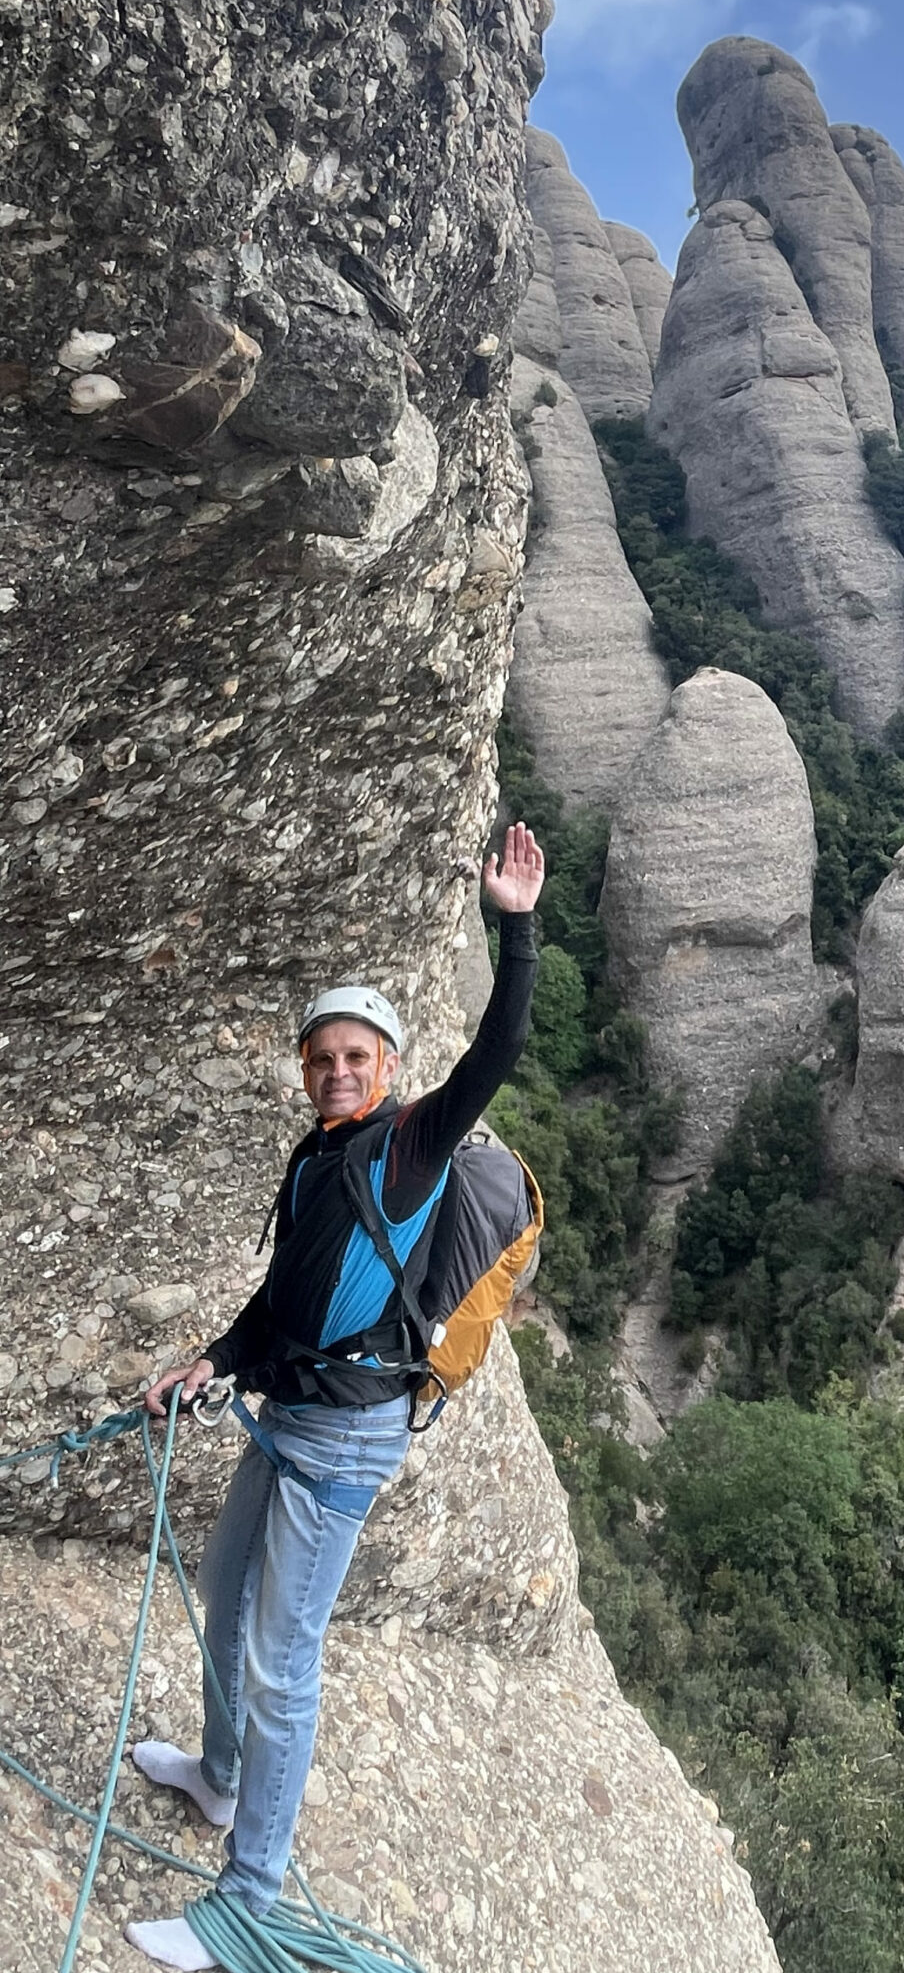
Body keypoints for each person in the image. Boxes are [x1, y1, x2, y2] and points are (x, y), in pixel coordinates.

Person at [123, 823, 544, 1972]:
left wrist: (515, 930)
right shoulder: (316, 1158)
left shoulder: (411, 1146)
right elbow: (282, 1303)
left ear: (389, 1068)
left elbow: (496, 1054)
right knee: (223, 1589)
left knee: (281, 1659)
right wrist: (212, 1361)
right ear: (306, 1071)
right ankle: (219, 1779)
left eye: (358, 1055)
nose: (339, 1071)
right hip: (289, 1414)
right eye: (323, 1058)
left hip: (346, 1437)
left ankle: (248, 1898)